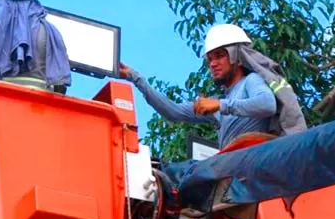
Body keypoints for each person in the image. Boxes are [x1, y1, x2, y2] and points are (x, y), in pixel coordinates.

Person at [119, 23, 280, 149]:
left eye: (219, 56)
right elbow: (173, 111)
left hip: (253, 165)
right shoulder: (219, 102)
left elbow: (267, 104)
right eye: (210, 59)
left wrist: (220, 105)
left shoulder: (250, 81)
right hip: (234, 169)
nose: (213, 64)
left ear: (236, 57)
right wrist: (135, 78)